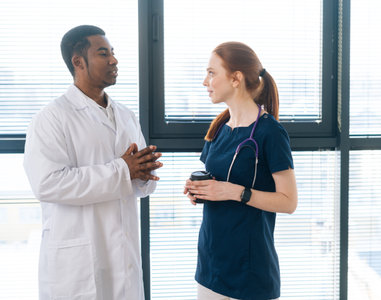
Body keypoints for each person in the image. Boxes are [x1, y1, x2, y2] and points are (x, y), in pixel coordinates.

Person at [23, 25, 162, 300]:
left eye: (113, 52)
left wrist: (144, 176)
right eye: (103, 53)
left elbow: (138, 182)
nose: (114, 60)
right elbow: (47, 184)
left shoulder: (126, 116)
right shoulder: (51, 118)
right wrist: (124, 170)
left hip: (124, 254)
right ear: (78, 62)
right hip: (77, 265)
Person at [184, 42, 298, 300]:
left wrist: (237, 192)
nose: (205, 81)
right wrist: (198, 189)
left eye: (212, 73)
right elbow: (217, 180)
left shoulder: (270, 133)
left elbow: (289, 202)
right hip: (210, 264)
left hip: (249, 272)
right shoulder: (220, 127)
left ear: (236, 78)